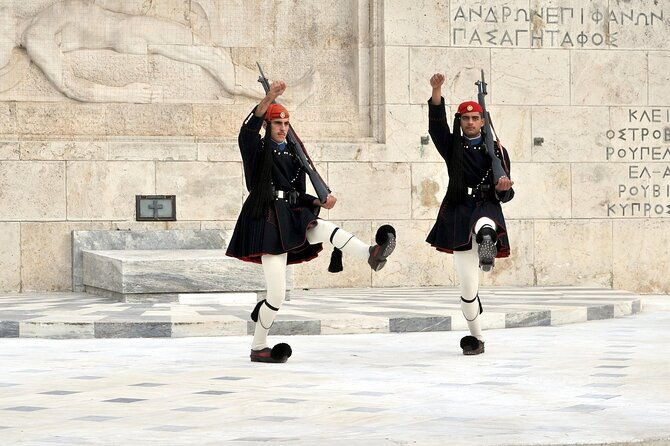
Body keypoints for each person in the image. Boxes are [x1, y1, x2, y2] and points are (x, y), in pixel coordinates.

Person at [226, 80, 396, 363]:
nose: (282, 128)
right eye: (277, 123)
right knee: (277, 295)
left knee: (326, 229)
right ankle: (259, 346)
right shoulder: (255, 148)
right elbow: (248, 130)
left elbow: (297, 192)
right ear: (268, 125)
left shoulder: (294, 154)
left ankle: (372, 253)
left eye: (286, 123)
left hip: (292, 216)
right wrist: (269, 97)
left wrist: (318, 201)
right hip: (268, 221)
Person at [425, 73, 515, 356]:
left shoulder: (498, 151)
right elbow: (437, 126)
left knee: (486, 225)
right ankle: (476, 337)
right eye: (466, 119)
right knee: (468, 289)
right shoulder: (452, 146)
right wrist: (437, 90)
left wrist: (502, 188)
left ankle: (488, 243)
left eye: (476, 118)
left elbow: (507, 195)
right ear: (461, 121)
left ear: (483, 121)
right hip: (459, 211)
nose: (471, 122)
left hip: (486, 205)